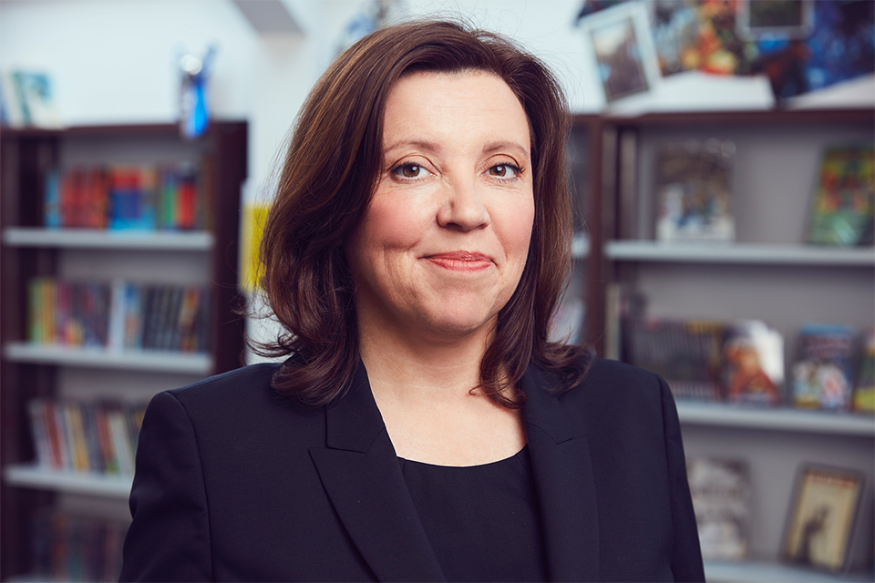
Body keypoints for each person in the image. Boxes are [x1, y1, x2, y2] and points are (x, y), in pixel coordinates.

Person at [120, 19, 704, 582]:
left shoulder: (634, 415)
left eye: (502, 168)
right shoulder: (212, 445)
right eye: (412, 169)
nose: (467, 212)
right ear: (335, 202)